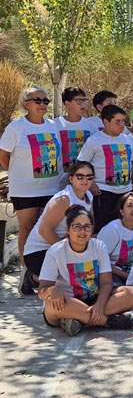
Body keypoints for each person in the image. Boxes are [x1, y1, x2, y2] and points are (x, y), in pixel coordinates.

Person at [38, 206, 133, 335]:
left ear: (92, 229)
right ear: (68, 230)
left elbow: (106, 283)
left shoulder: (99, 246)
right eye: (77, 226)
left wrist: (99, 305)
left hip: (94, 299)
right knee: (51, 304)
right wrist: (52, 291)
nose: (82, 231)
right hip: (69, 303)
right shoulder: (56, 251)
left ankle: (79, 320)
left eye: (87, 226)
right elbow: (41, 290)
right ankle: (108, 321)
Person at [0, 86, 62, 293]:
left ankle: (46, 271)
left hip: (51, 186)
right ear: (26, 103)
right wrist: (18, 174)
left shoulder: (52, 125)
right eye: (38, 100)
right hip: (25, 190)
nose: (43, 104)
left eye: (46, 101)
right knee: (26, 230)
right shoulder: (16, 127)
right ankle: (26, 271)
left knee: (49, 229)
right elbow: (3, 155)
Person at [23, 162, 94, 284]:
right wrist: (70, 252)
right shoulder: (64, 199)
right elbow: (44, 230)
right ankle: (33, 277)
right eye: (80, 176)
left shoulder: (89, 196)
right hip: (39, 252)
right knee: (72, 282)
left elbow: (90, 225)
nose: (85, 180)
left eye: (89, 177)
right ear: (71, 178)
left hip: (67, 245)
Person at [77, 104, 133, 232]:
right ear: (106, 121)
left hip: (126, 192)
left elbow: (132, 163)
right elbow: (81, 164)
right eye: (118, 121)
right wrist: (92, 184)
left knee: (125, 228)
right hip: (103, 193)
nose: (122, 124)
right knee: (102, 229)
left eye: (123, 121)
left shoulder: (127, 139)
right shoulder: (94, 140)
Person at [97, 192, 133, 286]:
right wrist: (127, 276)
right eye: (129, 206)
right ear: (121, 211)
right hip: (113, 274)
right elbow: (100, 261)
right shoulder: (112, 229)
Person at [54, 87, 94, 178]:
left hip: (85, 179)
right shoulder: (54, 125)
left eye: (85, 100)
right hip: (60, 180)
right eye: (79, 101)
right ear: (67, 104)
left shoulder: (91, 125)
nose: (83, 104)